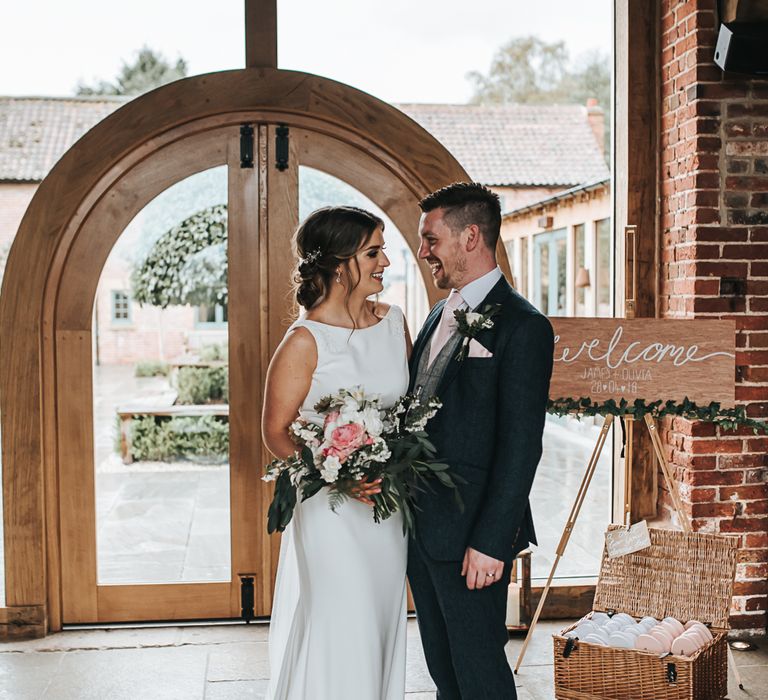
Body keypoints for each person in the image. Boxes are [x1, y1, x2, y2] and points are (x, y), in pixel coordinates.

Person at [407, 182, 554, 700]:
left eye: (431, 239)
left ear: (470, 236)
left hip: (475, 538)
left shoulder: (524, 326)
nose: (423, 251)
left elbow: (522, 445)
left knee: (481, 677)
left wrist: (492, 541)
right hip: (422, 532)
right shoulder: (435, 315)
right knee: (444, 670)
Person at [262, 206, 411, 700]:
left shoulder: (396, 323)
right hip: (329, 510)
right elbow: (276, 431)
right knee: (341, 621)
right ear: (339, 263)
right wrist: (334, 473)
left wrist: (393, 464)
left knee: (380, 617)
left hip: (386, 508)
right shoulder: (304, 342)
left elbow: (408, 414)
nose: (386, 261)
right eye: (374, 251)